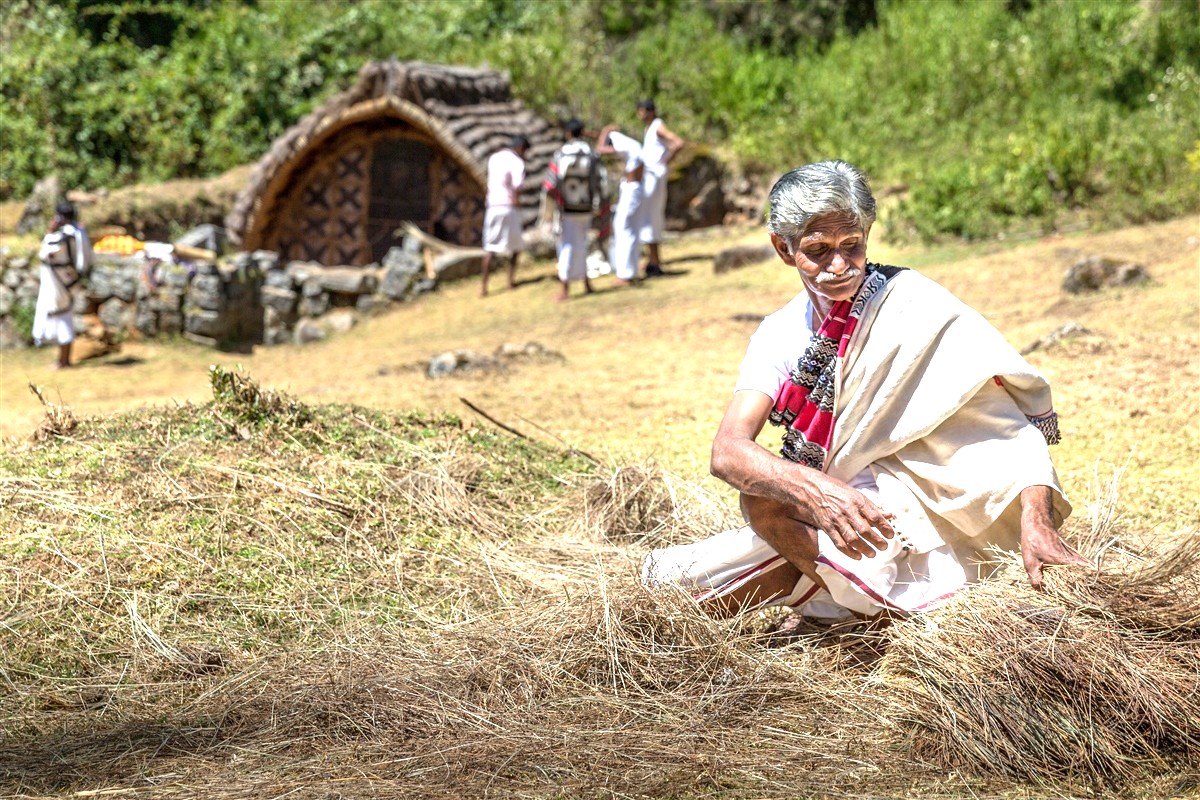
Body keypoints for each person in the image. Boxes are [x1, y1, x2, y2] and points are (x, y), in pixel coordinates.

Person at [642, 160, 1088, 621]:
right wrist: (820, 493)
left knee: (742, 571)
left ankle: (875, 610)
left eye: (851, 245)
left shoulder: (915, 304)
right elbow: (728, 451)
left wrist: (1036, 520)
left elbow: (1006, 430)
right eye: (817, 250)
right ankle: (871, 603)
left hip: (940, 513)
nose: (839, 266)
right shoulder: (778, 334)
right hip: (846, 518)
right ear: (783, 248)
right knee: (705, 561)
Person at [542, 119, 604, 302]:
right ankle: (586, 283)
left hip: (567, 209)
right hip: (585, 207)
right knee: (582, 244)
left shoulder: (560, 154)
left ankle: (565, 288)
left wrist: (551, 207)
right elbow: (599, 180)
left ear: (568, 133)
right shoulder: (591, 154)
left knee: (567, 246)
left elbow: (550, 184)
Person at [34, 200, 92, 369]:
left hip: (60, 282)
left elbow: (45, 252)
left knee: (62, 317)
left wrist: (49, 231)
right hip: (68, 280)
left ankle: (64, 360)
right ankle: (63, 358)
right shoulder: (79, 231)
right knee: (63, 316)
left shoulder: (63, 236)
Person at [635, 99, 683, 278]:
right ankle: (652, 259)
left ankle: (655, 261)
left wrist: (663, 162)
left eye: (642, 110)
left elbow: (677, 142)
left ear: (649, 111)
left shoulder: (657, 126)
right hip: (650, 177)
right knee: (647, 218)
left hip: (654, 177)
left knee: (651, 218)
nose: (640, 114)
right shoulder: (649, 129)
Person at [596, 124, 645, 286]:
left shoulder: (627, 146)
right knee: (629, 229)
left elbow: (600, 149)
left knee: (623, 227)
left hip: (632, 190)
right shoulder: (632, 145)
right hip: (634, 189)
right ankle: (628, 270)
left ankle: (625, 274)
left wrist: (605, 131)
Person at [480, 135, 529, 297]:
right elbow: (516, 186)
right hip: (508, 206)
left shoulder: (494, 158)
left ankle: (484, 287)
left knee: (490, 248)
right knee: (516, 246)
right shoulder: (517, 162)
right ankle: (509, 281)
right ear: (521, 148)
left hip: (492, 206)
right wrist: (516, 202)